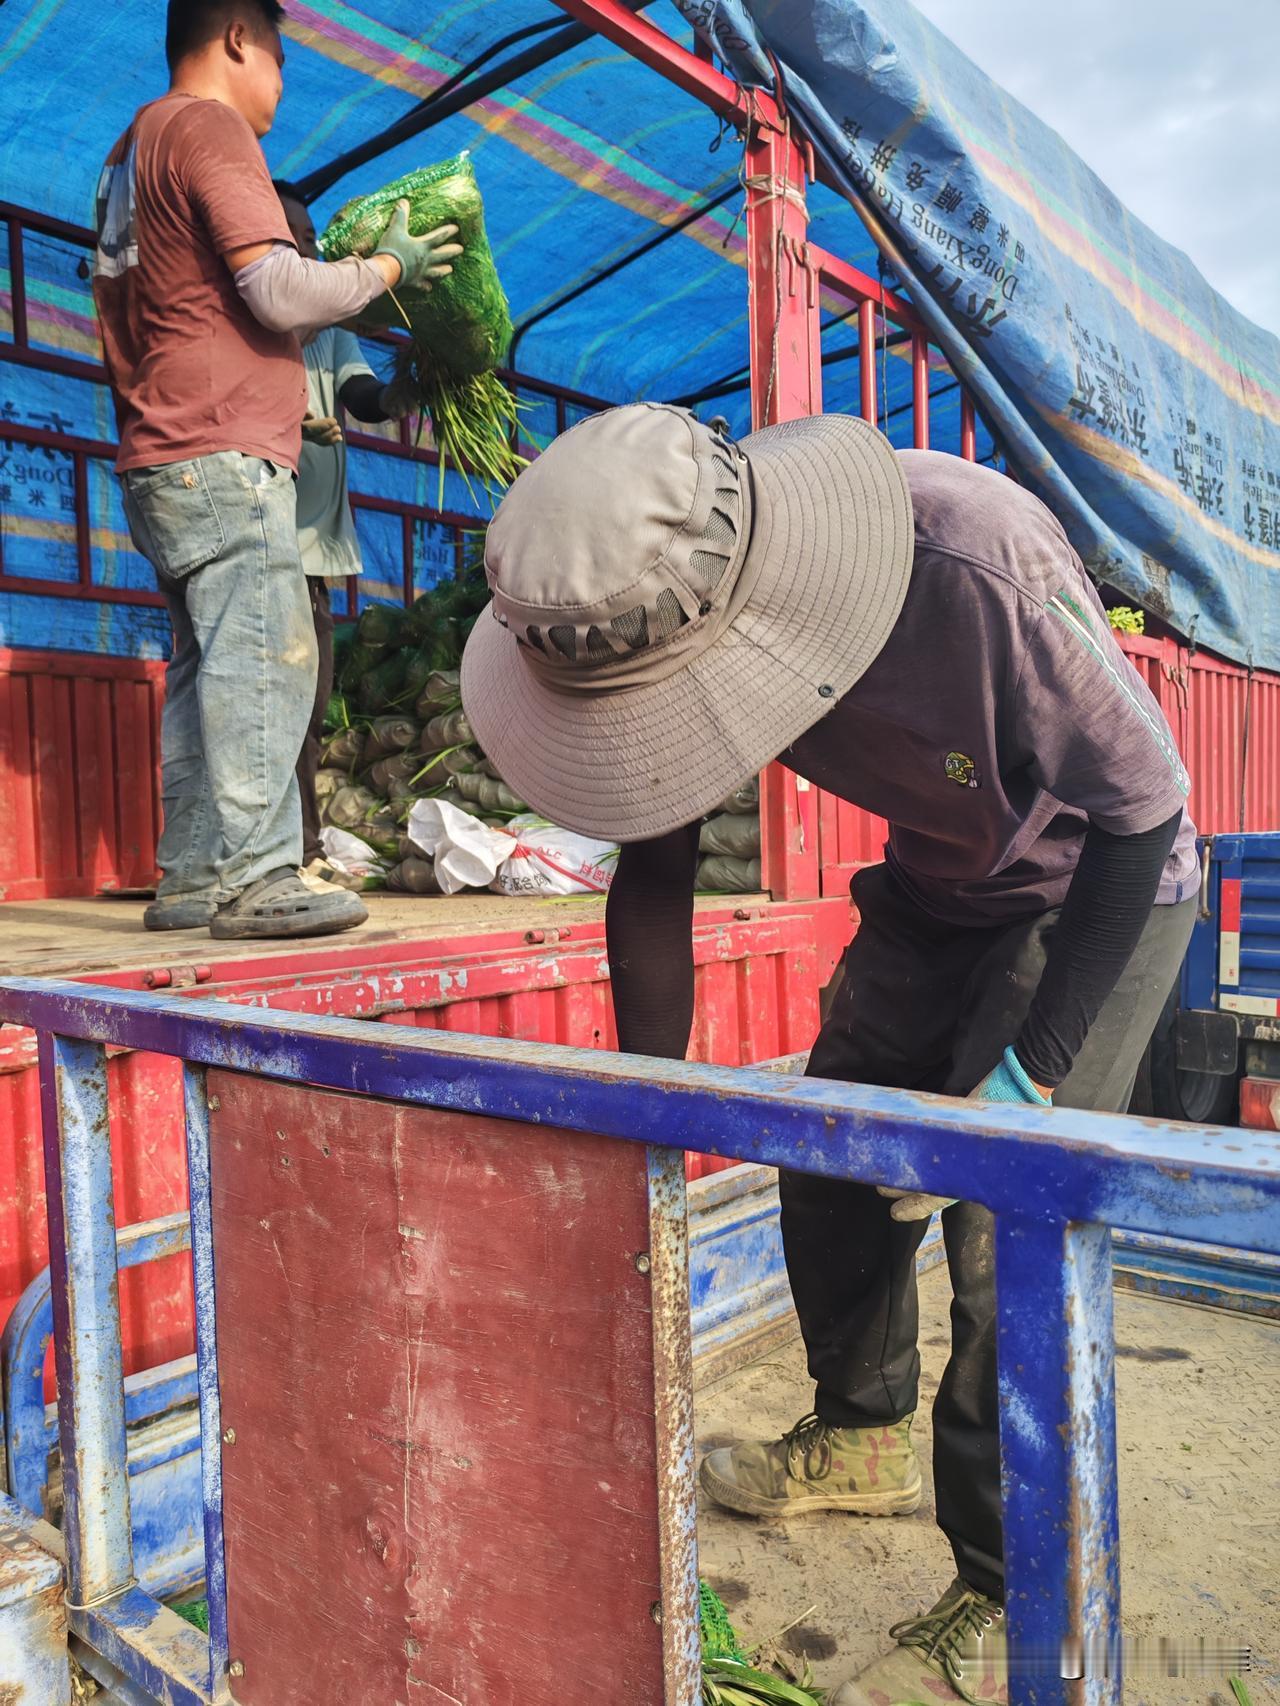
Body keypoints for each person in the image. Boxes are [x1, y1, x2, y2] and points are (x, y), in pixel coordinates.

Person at [459, 403, 1199, 1706]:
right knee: (830, 1144)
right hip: (942, 880)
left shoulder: (978, 566)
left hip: (1100, 888)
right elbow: (658, 871)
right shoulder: (656, 612)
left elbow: (1144, 811)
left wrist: (1025, 1078)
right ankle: (860, 1434)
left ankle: (1016, 1597)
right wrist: (655, 1108)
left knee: (1001, 1215)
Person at [92, 0, 460, 938]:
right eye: (283, 59)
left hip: (159, 452)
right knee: (263, 661)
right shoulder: (208, 127)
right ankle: (260, 879)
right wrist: (386, 269)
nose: (282, 84)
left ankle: (189, 877)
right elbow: (278, 288)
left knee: (201, 669)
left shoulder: (126, 155)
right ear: (238, 40)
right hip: (220, 449)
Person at [272, 180, 416, 891]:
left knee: (309, 703)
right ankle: (280, 854)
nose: (306, 247)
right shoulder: (255, 317)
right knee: (272, 703)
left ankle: (301, 848)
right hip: (261, 545)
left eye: (309, 239)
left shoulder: (329, 328)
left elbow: (361, 398)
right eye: (290, 237)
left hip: (314, 549)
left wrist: (401, 392)